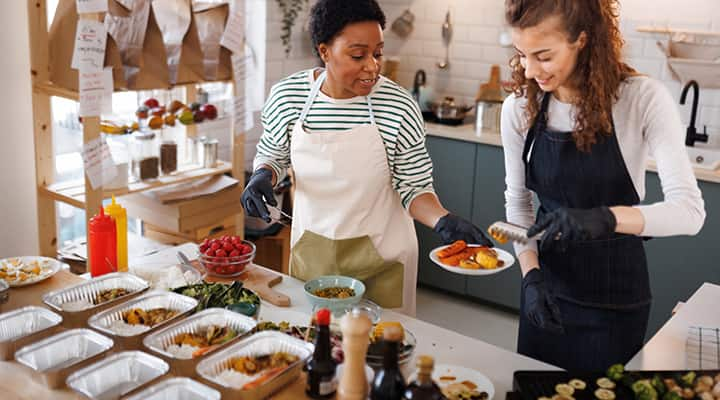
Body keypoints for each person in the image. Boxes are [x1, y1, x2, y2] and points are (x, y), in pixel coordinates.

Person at [242, 0, 491, 316]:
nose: (372, 66)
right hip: (313, 254)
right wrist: (263, 174)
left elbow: (413, 187)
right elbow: (273, 154)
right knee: (320, 349)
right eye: (358, 55)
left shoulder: (398, 106)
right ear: (324, 51)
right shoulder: (288, 97)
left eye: (378, 53)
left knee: (385, 351)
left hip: (384, 262)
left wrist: (442, 220)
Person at [501, 0, 706, 370]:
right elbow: (519, 205)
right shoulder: (519, 109)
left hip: (615, 300)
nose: (530, 71)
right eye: (522, 55)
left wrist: (607, 218)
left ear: (582, 39)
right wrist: (530, 276)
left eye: (543, 56)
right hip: (545, 290)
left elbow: (690, 212)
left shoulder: (640, 99)